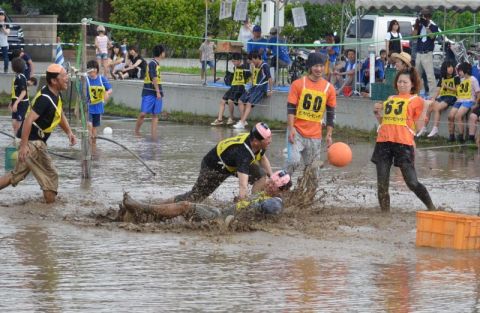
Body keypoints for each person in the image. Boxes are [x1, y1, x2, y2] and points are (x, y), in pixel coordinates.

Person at [0, 64, 77, 203]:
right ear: (54, 81)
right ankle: (48, 212)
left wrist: (69, 132)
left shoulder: (55, 95)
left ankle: (47, 209)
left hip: (35, 142)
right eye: (64, 76)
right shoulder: (45, 98)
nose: (67, 79)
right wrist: (24, 146)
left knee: (16, 175)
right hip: (32, 143)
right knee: (48, 175)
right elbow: (29, 120)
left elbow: (59, 114)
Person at [118, 170, 292, 223]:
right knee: (186, 207)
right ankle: (141, 215)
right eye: (269, 182)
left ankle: (142, 209)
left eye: (273, 186)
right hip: (221, 213)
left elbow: (271, 209)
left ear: (282, 191)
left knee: (185, 205)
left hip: (222, 219)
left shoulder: (276, 202)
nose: (268, 186)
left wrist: (251, 208)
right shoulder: (265, 194)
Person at [372, 67, 436, 212]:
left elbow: (419, 128)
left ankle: (432, 208)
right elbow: (384, 122)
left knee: (412, 183)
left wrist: (425, 107)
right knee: (382, 184)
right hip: (383, 142)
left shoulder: (417, 100)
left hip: (403, 144)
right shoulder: (390, 99)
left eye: (405, 82)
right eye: (399, 82)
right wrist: (377, 114)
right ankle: (385, 215)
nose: (401, 84)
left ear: (412, 84)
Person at [174, 122, 274, 203]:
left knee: (261, 176)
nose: (270, 141)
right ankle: (168, 203)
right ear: (256, 141)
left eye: (270, 137)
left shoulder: (258, 144)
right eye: (268, 139)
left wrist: (273, 178)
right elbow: (243, 186)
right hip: (213, 166)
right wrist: (242, 203)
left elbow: (262, 158)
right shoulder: (243, 153)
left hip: (232, 164)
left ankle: (255, 202)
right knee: (195, 197)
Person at [286, 52, 336, 203]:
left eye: (321, 66)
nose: (319, 69)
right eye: (315, 66)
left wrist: (329, 134)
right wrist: (291, 128)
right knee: (293, 162)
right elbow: (290, 108)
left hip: (315, 136)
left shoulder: (329, 88)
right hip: (297, 131)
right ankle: (279, 189)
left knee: (313, 171)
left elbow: (331, 112)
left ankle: (307, 200)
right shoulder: (298, 84)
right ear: (310, 67)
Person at [417, 60, 459, 138]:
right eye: (448, 67)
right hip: (443, 97)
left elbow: (457, 90)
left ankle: (435, 128)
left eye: (451, 66)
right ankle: (424, 127)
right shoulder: (442, 78)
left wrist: (447, 87)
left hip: (451, 97)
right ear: (444, 69)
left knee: (437, 108)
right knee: (429, 108)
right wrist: (433, 98)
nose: (451, 68)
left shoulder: (456, 78)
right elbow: (438, 90)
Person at [233, 51, 273, 129]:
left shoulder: (265, 66)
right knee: (240, 101)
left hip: (261, 88)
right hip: (254, 87)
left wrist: (270, 90)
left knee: (249, 103)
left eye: (253, 60)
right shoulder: (254, 65)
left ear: (258, 58)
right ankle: (243, 121)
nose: (252, 62)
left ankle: (242, 122)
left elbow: (270, 78)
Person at [211, 53, 251, 126]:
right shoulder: (235, 67)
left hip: (240, 86)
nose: (234, 63)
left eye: (235, 61)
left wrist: (247, 86)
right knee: (222, 101)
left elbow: (249, 77)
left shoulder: (245, 68)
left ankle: (231, 118)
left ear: (239, 61)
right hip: (233, 86)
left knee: (230, 101)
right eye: (232, 61)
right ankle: (220, 119)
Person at [135, 45, 165, 137]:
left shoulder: (157, 63)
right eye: (164, 52)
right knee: (143, 113)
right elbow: (154, 78)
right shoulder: (152, 63)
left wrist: (159, 91)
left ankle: (153, 135)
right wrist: (157, 92)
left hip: (158, 91)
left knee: (155, 114)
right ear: (161, 53)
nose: (164, 53)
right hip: (149, 91)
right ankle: (136, 132)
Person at [448, 62, 480, 143]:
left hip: (468, 100)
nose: (459, 73)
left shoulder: (473, 79)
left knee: (458, 115)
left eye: (460, 71)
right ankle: (451, 136)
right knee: (450, 116)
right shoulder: (460, 79)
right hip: (459, 100)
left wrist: (476, 104)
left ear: (465, 70)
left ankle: (461, 136)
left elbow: (478, 94)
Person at [412, 9, 438, 97]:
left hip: (427, 53)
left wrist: (427, 26)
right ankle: (416, 94)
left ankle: (433, 96)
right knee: (416, 76)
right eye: (423, 16)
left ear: (429, 17)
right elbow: (414, 36)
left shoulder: (434, 26)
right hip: (419, 53)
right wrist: (416, 25)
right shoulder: (419, 26)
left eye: (426, 16)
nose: (424, 18)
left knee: (430, 76)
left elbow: (432, 36)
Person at [85, 59, 112, 142]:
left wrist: (107, 93)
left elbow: (110, 89)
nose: (92, 70)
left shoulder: (101, 79)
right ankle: (88, 146)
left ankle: (93, 146)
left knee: (94, 128)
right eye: (90, 68)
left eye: (94, 68)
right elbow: (80, 94)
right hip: (88, 106)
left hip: (98, 107)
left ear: (97, 69)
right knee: (89, 125)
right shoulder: (85, 80)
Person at [9, 57, 29, 134]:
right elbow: (16, 92)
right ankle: (16, 140)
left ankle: (21, 139)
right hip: (16, 102)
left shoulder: (21, 78)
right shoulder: (16, 76)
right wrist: (12, 102)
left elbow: (24, 92)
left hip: (22, 104)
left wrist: (16, 103)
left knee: (19, 124)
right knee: (14, 123)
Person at [0, 9, 10, 73]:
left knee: (5, 57)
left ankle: (5, 69)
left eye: (2, 15)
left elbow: (7, 33)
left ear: (4, 16)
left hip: (4, 42)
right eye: (0, 15)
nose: (1, 16)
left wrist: (2, 27)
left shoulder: (6, 24)